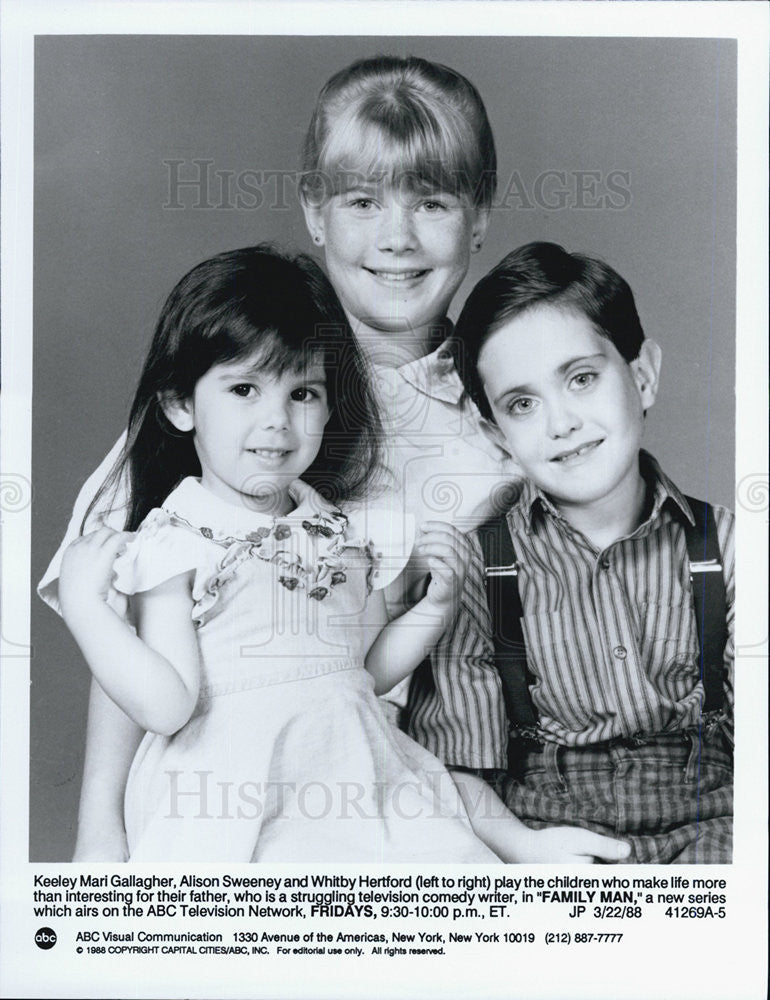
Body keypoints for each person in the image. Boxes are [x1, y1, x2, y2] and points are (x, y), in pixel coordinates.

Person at [40, 57, 626, 863]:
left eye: (433, 202)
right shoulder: (241, 387)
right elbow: (135, 609)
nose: (398, 238)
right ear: (315, 211)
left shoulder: (510, 409)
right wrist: (98, 838)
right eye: (361, 201)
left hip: (422, 793)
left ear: (480, 215)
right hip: (238, 794)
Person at [55, 244, 502, 863]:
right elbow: (167, 704)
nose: (278, 422)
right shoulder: (176, 541)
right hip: (233, 794)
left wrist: (437, 605)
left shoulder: (336, 529)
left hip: (354, 773)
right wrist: (87, 608)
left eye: (303, 394)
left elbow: (365, 670)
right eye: (244, 389)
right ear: (180, 405)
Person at [405, 241, 734, 864]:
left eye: (582, 379)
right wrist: (524, 850)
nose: (561, 423)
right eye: (522, 404)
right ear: (493, 432)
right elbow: (455, 765)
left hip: (716, 834)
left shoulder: (731, 550)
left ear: (643, 376)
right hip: (545, 842)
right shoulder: (479, 569)